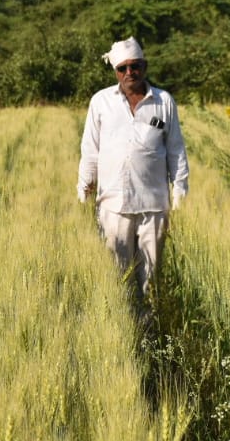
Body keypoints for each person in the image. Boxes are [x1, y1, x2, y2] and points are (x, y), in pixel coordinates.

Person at [77, 37, 189, 301]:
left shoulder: (163, 101)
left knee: (151, 283)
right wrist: (84, 191)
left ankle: (148, 334)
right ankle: (123, 333)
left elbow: (176, 151)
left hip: (154, 207)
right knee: (117, 280)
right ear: (115, 71)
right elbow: (90, 151)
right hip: (113, 206)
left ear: (145, 66)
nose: (130, 73)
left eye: (135, 66)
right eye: (123, 68)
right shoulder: (101, 102)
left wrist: (180, 197)